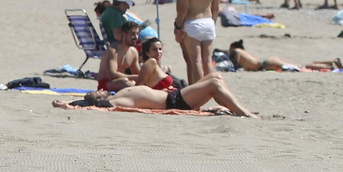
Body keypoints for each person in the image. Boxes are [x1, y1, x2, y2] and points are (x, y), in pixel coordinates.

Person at [52, 73, 255, 116]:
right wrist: (70, 104)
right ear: (98, 99)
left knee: (215, 76)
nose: (101, 90)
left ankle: (238, 107)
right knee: (214, 83)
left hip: (174, 95)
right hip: (174, 101)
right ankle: (246, 114)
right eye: (97, 92)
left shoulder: (118, 94)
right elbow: (88, 105)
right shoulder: (115, 101)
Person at [227, 40, 343, 72]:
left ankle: (330, 66)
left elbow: (235, 65)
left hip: (267, 63)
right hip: (268, 61)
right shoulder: (243, 53)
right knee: (299, 66)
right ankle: (329, 62)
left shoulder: (236, 52)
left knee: (300, 67)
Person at [97, 19, 142, 93]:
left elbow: (138, 73)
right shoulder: (113, 50)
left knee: (140, 83)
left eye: (137, 34)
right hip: (106, 84)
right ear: (124, 35)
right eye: (133, 34)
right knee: (126, 83)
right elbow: (112, 75)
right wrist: (133, 77)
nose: (136, 37)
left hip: (122, 82)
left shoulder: (133, 51)